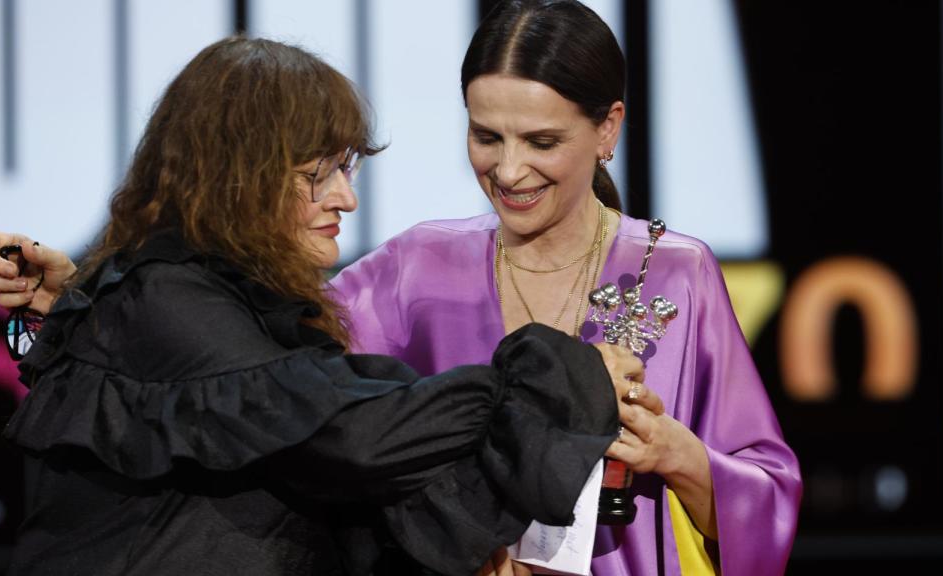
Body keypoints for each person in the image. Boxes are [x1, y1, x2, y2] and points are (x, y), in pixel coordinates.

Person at [0, 36, 655, 576]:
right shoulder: (167, 297)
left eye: (346, 169)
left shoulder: (225, 303)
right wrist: (563, 377)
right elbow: (354, 433)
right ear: (234, 178)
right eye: (315, 176)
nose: (345, 199)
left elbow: (338, 427)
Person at [332, 1, 802, 574]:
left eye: (541, 142)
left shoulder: (677, 273)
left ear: (608, 127)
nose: (507, 170)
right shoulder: (417, 269)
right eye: (486, 136)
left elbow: (769, 496)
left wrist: (679, 455)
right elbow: (306, 404)